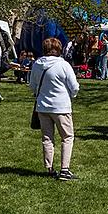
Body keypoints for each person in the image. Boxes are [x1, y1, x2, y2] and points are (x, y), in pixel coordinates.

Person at [30, 37, 80, 180]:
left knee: (47, 138)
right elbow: (74, 86)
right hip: (61, 106)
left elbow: (32, 86)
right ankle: (64, 169)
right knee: (67, 137)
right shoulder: (63, 65)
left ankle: (49, 168)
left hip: (43, 106)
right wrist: (72, 95)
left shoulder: (37, 64)